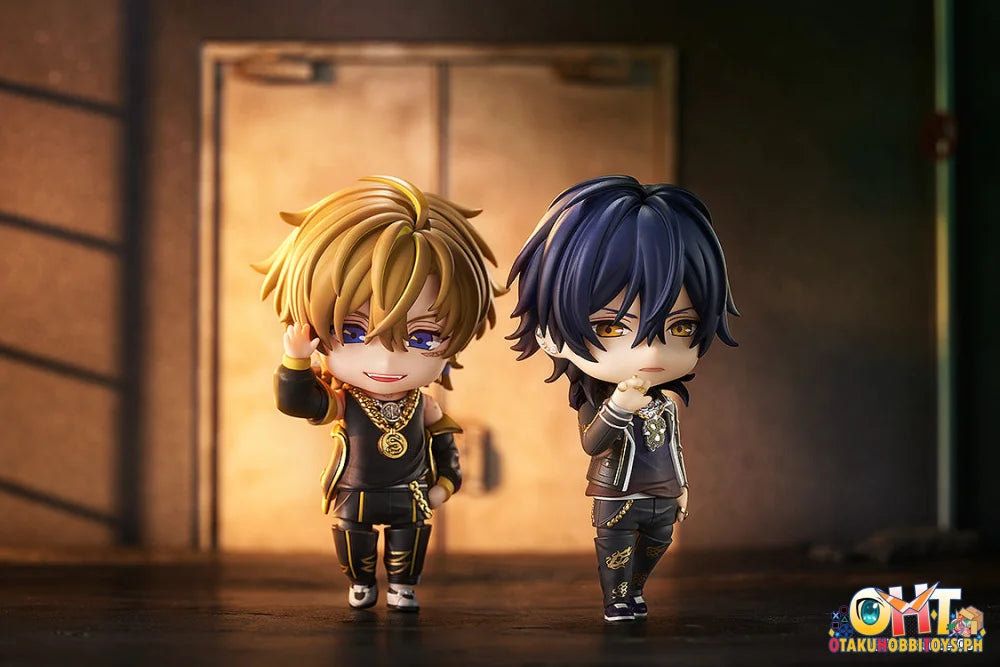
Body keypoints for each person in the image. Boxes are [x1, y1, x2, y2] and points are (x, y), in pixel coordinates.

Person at [254, 176, 503, 611]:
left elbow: (447, 453)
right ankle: (361, 582)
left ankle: (403, 585)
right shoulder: (345, 402)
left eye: (422, 337)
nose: (386, 361)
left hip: (411, 493)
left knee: (410, 540)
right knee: (355, 540)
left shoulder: (425, 406)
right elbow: (298, 402)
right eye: (353, 332)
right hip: (356, 491)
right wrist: (295, 361)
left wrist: (445, 486)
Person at [507, 175, 739, 622]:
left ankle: (635, 589)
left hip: (663, 492)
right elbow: (592, 443)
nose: (650, 353)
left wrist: (683, 487)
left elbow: (675, 447)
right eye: (612, 327)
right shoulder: (594, 400)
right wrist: (618, 407)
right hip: (616, 493)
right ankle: (617, 598)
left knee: (657, 544)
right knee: (614, 549)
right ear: (551, 336)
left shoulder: (664, 404)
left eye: (682, 327)